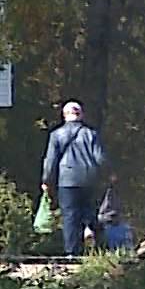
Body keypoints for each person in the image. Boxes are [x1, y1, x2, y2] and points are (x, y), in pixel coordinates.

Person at [42, 100, 113, 256]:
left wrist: (47, 180)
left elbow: (50, 161)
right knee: (90, 212)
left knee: (70, 216)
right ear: (81, 115)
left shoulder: (56, 135)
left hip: (67, 181)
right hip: (89, 179)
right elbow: (100, 158)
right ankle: (99, 245)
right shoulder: (91, 134)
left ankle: (72, 252)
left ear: (64, 115)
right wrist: (109, 174)